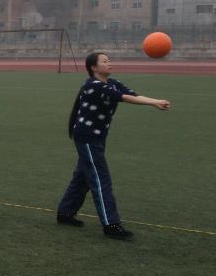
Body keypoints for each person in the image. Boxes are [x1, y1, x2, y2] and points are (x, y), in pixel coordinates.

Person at [56, 51, 170, 239]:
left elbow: (132, 95)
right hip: (87, 137)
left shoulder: (112, 83)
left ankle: (65, 212)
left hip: (97, 137)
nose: (109, 63)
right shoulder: (94, 85)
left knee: (83, 176)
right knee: (100, 179)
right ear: (94, 67)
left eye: (109, 60)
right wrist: (155, 102)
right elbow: (124, 98)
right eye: (104, 61)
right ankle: (111, 224)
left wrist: (154, 102)